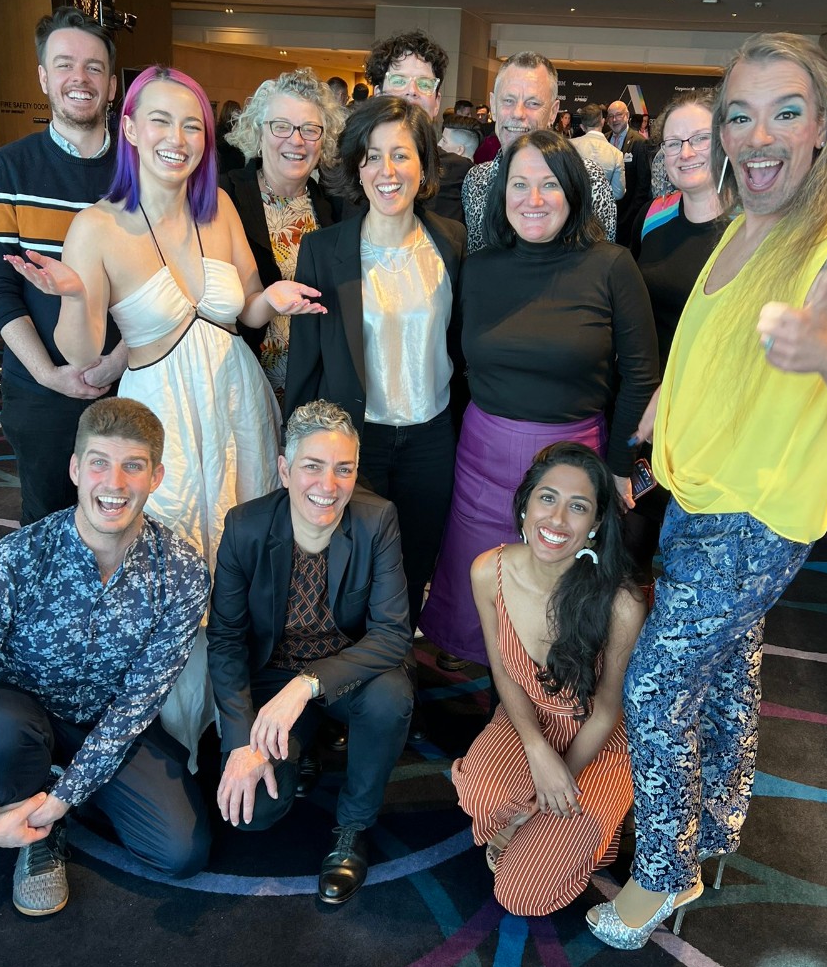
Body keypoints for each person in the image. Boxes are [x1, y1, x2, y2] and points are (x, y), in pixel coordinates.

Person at [588, 32, 827, 950]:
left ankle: (663, 874)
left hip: (757, 517)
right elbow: (713, 346)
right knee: (725, 673)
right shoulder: (746, 218)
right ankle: (715, 824)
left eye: (785, 112)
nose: (759, 134)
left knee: (653, 689)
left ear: (821, 129)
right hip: (697, 491)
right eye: (740, 113)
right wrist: (660, 421)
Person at [5, 65, 324, 760]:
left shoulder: (217, 210)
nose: (177, 138)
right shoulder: (96, 225)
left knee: (240, 545)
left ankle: (233, 711)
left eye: (192, 125)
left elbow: (242, 307)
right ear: (129, 129)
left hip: (237, 403)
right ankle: (173, 725)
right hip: (159, 413)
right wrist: (70, 293)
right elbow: (85, 352)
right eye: (160, 120)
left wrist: (277, 300)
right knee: (174, 559)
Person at [0, 398, 211, 917]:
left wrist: (66, 795)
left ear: (156, 476)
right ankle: (33, 830)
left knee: (182, 851)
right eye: (98, 463)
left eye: (133, 466)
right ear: (74, 469)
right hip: (17, 716)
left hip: (107, 723)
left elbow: (136, 706)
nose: (114, 483)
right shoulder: (17, 558)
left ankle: (53, 798)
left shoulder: (182, 573)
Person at [420, 129, 658, 667]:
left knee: (559, 595)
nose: (533, 200)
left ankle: (538, 716)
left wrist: (620, 466)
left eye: (548, 184)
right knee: (482, 586)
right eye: (519, 185)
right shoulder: (478, 268)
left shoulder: (612, 264)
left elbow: (642, 376)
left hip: (573, 457)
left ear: (573, 191)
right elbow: (456, 366)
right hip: (482, 453)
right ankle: (491, 723)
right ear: (501, 195)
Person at [207, 400, 413, 904]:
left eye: (343, 469)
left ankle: (352, 828)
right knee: (251, 815)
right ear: (284, 469)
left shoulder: (376, 519)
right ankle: (301, 747)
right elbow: (227, 639)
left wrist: (308, 684)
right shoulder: (244, 527)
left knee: (391, 697)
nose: (328, 485)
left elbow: (392, 635)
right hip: (272, 675)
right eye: (312, 467)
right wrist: (239, 740)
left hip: (346, 671)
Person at [285, 96, 465, 635]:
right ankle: (341, 681)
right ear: (355, 168)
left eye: (401, 156)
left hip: (431, 439)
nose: (387, 172)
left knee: (411, 570)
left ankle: (396, 682)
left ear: (424, 165)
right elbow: (306, 362)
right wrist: (297, 449)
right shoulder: (324, 249)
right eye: (371, 156)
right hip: (354, 441)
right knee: (348, 570)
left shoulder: (451, 243)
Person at [453, 442, 646, 915]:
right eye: (547, 498)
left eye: (578, 507)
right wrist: (538, 751)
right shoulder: (488, 571)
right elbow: (503, 673)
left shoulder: (622, 603)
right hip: (527, 722)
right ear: (525, 504)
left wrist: (561, 778)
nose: (557, 520)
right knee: (479, 792)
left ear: (596, 524)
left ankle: (600, 823)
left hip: (597, 741)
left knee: (521, 894)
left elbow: (606, 711)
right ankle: (544, 830)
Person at [0, 6, 124, 524]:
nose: (78, 79)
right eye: (64, 65)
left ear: (111, 85)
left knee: (131, 519)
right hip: (40, 389)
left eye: (93, 68)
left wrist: (120, 360)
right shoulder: (8, 166)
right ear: (43, 77)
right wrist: (49, 374)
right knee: (47, 525)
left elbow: (166, 277)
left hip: (132, 380)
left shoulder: (139, 169)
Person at [624, 89, 726, 577]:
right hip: (645, 410)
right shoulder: (656, 214)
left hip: (711, 420)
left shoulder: (751, 230)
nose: (684, 152)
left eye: (699, 139)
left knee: (700, 564)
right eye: (672, 143)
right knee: (631, 546)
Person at [220, 68, 343, 398]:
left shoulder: (333, 208)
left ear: (324, 141)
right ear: (259, 132)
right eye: (281, 126)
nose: (296, 140)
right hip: (242, 385)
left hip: (312, 391)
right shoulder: (226, 196)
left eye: (310, 129)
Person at [462, 52, 616, 252]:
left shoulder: (589, 179)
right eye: (508, 100)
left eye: (533, 103)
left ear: (553, 111)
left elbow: (601, 268)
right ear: (493, 104)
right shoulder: (476, 181)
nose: (518, 113)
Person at [364, 29, 467, 224]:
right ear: (378, 95)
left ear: (437, 102)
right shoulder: (352, 167)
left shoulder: (460, 175)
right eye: (398, 81)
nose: (411, 91)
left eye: (424, 83)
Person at [606, 99, 652, 249]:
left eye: (618, 115)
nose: (614, 119)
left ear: (627, 116)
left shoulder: (639, 142)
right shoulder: (603, 139)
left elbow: (643, 182)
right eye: (610, 116)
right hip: (605, 215)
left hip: (629, 215)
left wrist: (632, 213)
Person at [573, 103, 626, 201]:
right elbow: (618, 193)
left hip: (573, 211)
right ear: (602, 122)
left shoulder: (568, 146)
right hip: (601, 213)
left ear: (582, 127)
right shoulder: (616, 154)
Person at [215, 99, 246, 176]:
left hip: (234, 168)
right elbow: (220, 147)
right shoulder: (220, 130)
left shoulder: (240, 128)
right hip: (225, 169)